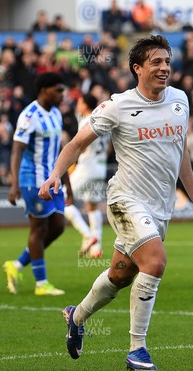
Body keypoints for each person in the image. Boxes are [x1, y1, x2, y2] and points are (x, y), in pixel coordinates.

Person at [38, 35, 193, 371]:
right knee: (156, 262)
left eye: (167, 61)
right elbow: (75, 144)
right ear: (138, 69)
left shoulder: (179, 101)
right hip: (125, 200)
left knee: (121, 274)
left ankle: (76, 317)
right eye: (156, 63)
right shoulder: (116, 106)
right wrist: (55, 175)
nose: (165, 68)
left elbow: (180, 155)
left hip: (160, 206)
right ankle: (137, 349)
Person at [3, 72, 72, 296]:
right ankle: (41, 284)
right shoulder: (29, 116)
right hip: (32, 179)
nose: (63, 94)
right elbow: (16, 150)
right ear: (44, 90)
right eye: (58, 90)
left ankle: (17, 264)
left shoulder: (56, 114)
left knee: (58, 227)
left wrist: (67, 182)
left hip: (54, 180)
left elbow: (61, 151)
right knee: (39, 228)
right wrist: (14, 184)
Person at [63, 94, 108, 258]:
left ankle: (88, 235)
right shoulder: (104, 121)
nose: (78, 105)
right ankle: (96, 249)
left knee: (62, 200)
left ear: (85, 105)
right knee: (92, 205)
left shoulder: (85, 121)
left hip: (87, 166)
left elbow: (79, 146)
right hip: (100, 167)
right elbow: (109, 147)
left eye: (79, 102)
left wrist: (70, 167)